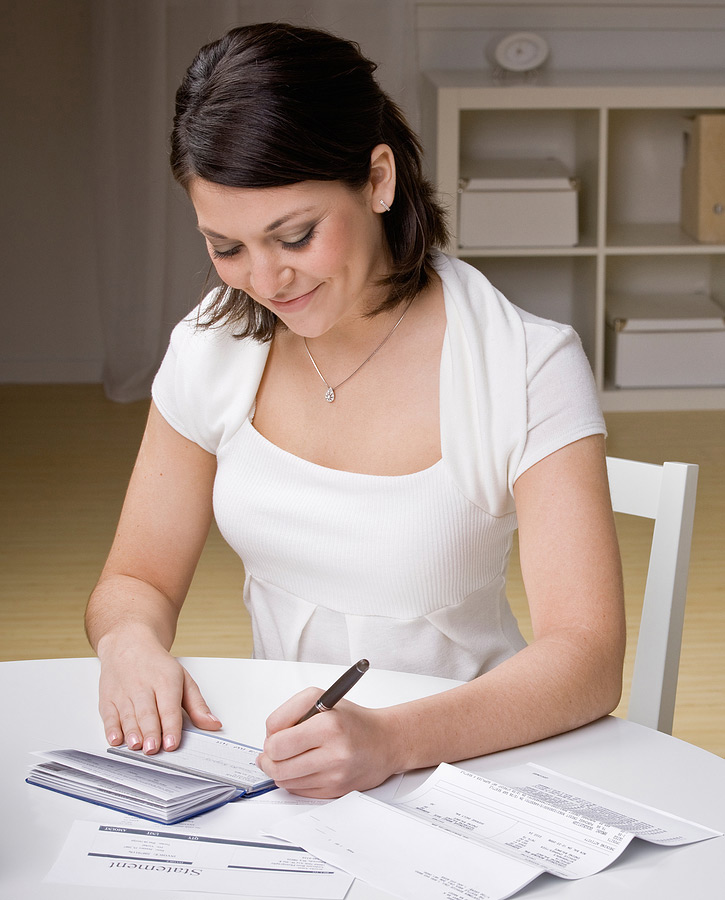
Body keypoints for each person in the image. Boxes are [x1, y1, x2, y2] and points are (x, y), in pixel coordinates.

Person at [85, 22, 625, 800]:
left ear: (376, 179)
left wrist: (388, 740)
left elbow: (586, 658)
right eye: (226, 247)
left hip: (476, 762)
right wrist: (128, 642)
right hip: (293, 763)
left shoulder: (523, 363)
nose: (265, 280)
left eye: (295, 235)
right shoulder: (212, 345)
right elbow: (136, 576)